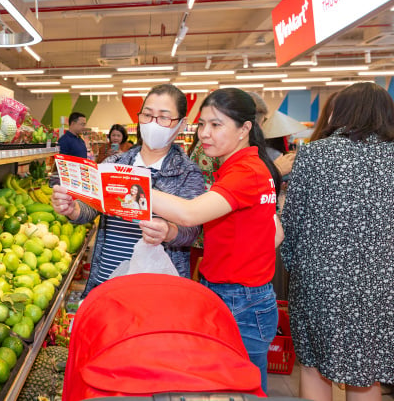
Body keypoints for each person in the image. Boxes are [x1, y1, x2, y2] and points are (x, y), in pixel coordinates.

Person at [143, 88, 283, 393]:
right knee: (233, 385)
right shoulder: (248, 167)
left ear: (245, 129)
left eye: (216, 125)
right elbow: (276, 233)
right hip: (242, 294)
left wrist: (132, 188)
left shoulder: (244, 172)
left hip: (240, 301)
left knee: (241, 388)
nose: (205, 134)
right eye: (202, 124)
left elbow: (190, 214)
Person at [280, 82, 394, 401]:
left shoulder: (314, 153)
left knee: (313, 366)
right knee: (365, 372)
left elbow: (291, 222)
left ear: (339, 112)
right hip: (379, 285)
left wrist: (297, 266)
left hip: (319, 281)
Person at [51, 84, 205, 292]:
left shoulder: (188, 173)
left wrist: (168, 231)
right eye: (147, 115)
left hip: (157, 289)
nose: (153, 124)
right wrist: (73, 209)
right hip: (107, 281)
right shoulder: (114, 163)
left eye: (163, 117)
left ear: (181, 124)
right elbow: (92, 207)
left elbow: (192, 231)